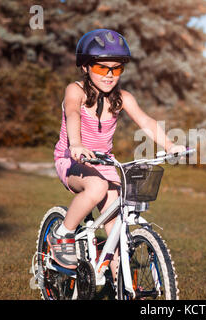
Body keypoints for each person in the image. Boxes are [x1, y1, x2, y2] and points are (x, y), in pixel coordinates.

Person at [48, 29, 186, 271]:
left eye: (117, 68)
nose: (110, 75)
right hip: (72, 159)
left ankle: (123, 285)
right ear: (85, 67)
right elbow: (72, 113)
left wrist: (170, 145)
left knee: (117, 222)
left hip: (105, 163)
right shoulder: (75, 91)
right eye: (102, 68)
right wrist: (77, 144)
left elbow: (146, 122)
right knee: (97, 187)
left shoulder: (122, 98)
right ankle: (62, 235)